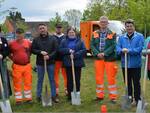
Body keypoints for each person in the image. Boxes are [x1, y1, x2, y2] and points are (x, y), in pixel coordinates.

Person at [116, 19, 144, 105]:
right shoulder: (121, 37)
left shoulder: (139, 36)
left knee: (136, 83)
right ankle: (129, 98)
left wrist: (128, 51)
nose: (129, 28)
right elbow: (117, 48)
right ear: (125, 27)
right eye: (127, 26)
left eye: (130, 26)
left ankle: (138, 100)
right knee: (127, 83)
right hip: (125, 64)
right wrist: (121, 50)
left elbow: (140, 48)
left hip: (136, 64)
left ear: (133, 27)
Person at [90, 16, 118, 103]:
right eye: (101, 22)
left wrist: (104, 53)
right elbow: (92, 45)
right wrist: (97, 53)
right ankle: (99, 96)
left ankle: (113, 97)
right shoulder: (94, 33)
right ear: (99, 23)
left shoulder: (113, 33)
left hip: (109, 58)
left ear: (107, 23)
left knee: (111, 78)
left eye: (105, 22)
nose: (103, 23)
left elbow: (113, 46)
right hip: (98, 58)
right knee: (99, 78)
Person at [31, 23, 59, 103]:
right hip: (40, 63)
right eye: (40, 28)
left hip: (50, 63)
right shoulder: (36, 39)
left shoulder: (53, 39)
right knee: (40, 80)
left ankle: (53, 96)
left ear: (46, 28)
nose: (42, 30)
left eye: (43, 28)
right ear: (39, 30)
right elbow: (33, 50)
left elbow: (56, 50)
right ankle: (38, 96)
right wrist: (40, 52)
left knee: (52, 80)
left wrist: (49, 56)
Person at [59, 27, 86, 101]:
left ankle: (77, 94)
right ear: (67, 34)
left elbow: (84, 50)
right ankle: (70, 96)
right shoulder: (64, 41)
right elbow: (60, 50)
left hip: (77, 63)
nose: (71, 33)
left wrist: (75, 55)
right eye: (70, 32)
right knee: (69, 80)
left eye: (73, 32)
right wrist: (68, 51)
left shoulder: (80, 41)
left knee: (77, 79)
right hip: (68, 62)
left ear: (75, 33)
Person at [9, 28, 32, 105]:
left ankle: (28, 98)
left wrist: (27, 58)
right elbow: (8, 53)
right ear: (16, 34)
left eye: (20, 33)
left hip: (27, 66)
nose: (19, 35)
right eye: (17, 33)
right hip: (17, 66)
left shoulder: (28, 42)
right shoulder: (11, 44)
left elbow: (31, 51)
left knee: (28, 82)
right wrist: (13, 59)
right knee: (17, 83)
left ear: (23, 34)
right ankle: (18, 100)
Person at [53, 23, 67, 96]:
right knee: (55, 75)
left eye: (60, 28)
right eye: (57, 28)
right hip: (55, 59)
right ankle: (56, 90)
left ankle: (67, 89)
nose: (59, 29)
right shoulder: (52, 37)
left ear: (62, 28)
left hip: (64, 59)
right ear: (55, 28)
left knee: (66, 75)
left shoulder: (65, 37)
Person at [0, 33, 12, 100]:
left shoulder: (3, 40)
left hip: (2, 63)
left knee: (4, 80)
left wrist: (2, 55)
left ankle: (6, 97)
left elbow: (7, 50)